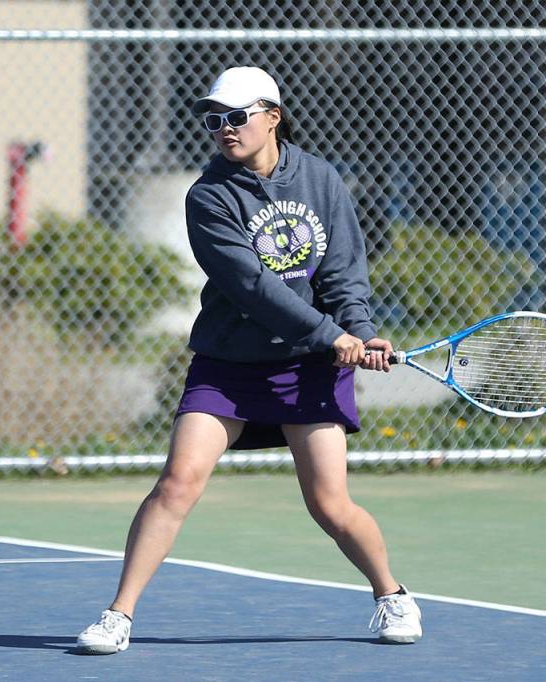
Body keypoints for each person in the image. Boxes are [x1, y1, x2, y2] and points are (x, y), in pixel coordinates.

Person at [76, 65, 422, 654]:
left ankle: (392, 595)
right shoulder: (209, 196)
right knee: (178, 482)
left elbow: (343, 272)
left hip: (307, 369)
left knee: (330, 504)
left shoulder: (321, 179)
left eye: (236, 117)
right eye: (213, 120)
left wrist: (360, 331)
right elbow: (251, 285)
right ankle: (118, 615)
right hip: (229, 365)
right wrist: (329, 334)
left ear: (272, 117)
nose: (223, 129)